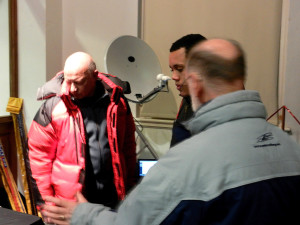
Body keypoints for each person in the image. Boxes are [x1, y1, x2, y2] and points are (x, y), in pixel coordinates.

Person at [40, 39, 300, 225]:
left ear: (195, 84)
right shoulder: (291, 147)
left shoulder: (185, 163)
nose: (174, 77)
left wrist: (84, 216)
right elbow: (39, 154)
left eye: (180, 71)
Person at [27, 52, 137, 213]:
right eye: (68, 81)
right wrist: (47, 206)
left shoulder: (117, 102)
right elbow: (38, 160)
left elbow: (128, 148)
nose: (72, 88)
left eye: (78, 82)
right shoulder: (52, 107)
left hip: (113, 200)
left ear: (94, 76)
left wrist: (130, 189)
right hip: (71, 204)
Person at [169, 34, 206, 147]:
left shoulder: (220, 107)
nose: (174, 76)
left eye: (179, 69)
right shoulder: (187, 99)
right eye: (172, 70)